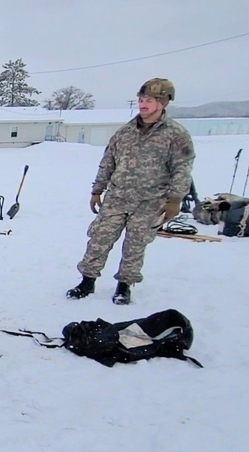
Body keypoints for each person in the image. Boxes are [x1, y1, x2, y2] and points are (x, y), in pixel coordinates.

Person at [66, 78, 194, 305]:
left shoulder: (176, 135)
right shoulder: (125, 132)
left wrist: (175, 199)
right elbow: (108, 162)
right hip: (117, 197)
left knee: (135, 245)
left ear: (163, 103)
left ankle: (124, 286)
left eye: (150, 101)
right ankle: (87, 281)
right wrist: (97, 190)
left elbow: (182, 169)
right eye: (141, 100)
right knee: (99, 239)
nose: (143, 105)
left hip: (150, 201)